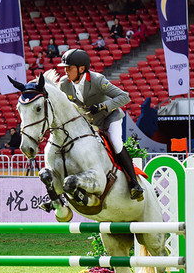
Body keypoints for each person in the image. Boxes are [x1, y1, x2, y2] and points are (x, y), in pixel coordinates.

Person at [57, 48, 143, 200]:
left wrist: (103, 106)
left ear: (81, 68)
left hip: (110, 118)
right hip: (90, 123)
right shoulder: (64, 84)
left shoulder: (97, 80)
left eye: (69, 68)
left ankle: (134, 184)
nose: (66, 71)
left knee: (116, 143)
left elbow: (124, 97)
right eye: (65, 68)